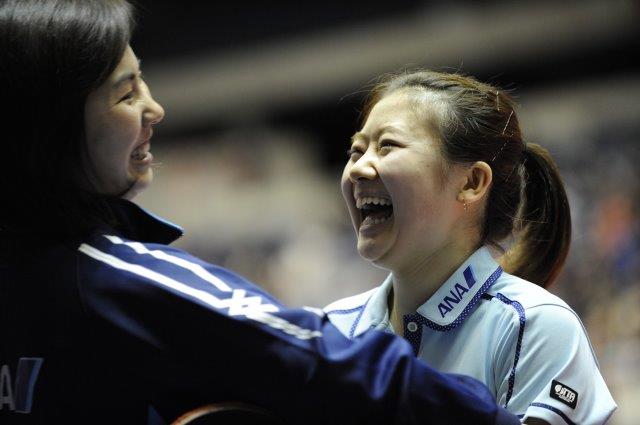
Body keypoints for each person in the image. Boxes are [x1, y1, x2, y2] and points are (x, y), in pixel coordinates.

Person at [0, 1, 522, 424]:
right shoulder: (114, 285)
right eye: (126, 93)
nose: (154, 109)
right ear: (56, 132)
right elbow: (327, 361)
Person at [324, 70, 617, 424]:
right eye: (356, 150)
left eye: (388, 146)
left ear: (471, 182)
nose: (358, 169)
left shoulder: (533, 326)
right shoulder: (331, 330)